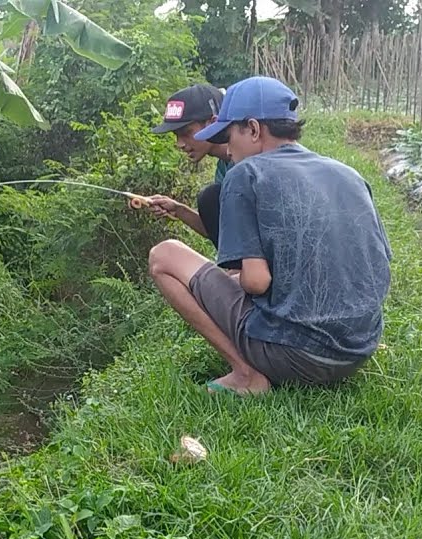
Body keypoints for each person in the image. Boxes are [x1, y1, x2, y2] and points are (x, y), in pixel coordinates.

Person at [146, 75, 392, 395]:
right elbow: (378, 265)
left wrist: (232, 283)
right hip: (358, 350)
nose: (229, 150)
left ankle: (247, 374)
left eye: (229, 135)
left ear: (253, 129)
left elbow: (257, 282)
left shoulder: (244, 175)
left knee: (164, 255)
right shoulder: (349, 174)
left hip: (295, 357)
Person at [141, 83, 237, 251]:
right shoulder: (223, 167)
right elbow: (218, 231)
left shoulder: (247, 165)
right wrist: (178, 210)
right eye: (176, 135)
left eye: (186, 133)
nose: (180, 144)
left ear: (212, 123)